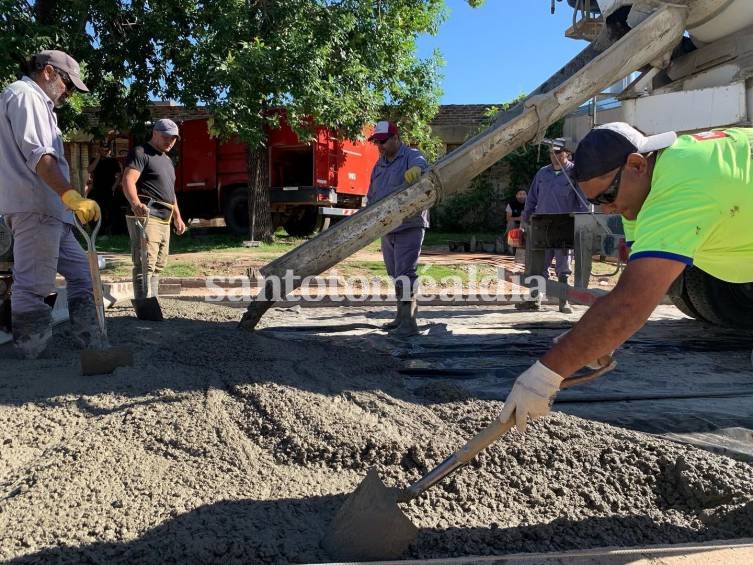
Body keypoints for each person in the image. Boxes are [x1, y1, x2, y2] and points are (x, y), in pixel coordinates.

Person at [499, 122, 753, 433]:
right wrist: (598, 336)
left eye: (607, 195)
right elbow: (635, 286)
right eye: (597, 202)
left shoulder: (682, 186)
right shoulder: (646, 187)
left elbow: (630, 303)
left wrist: (544, 376)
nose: (607, 210)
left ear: (635, 164)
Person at [0, 49, 102, 359]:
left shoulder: (41, 105)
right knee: (34, 286)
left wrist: (68, 201)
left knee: (85, 272)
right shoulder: (24, 96)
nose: (69, 93)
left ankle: (90, 337)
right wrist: (71, 196)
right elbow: (40, 157)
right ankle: (32, 353)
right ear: (48, 72)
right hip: (34, 207)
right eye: (67, 85)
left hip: (51, 212)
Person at [367, 120, 429, 338]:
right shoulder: (379, 164)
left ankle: (410, 321)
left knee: (405, 272)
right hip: (386, 226)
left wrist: (417, 170)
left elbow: (422, 164)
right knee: (394, 273)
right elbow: (372, 193)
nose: (380, 146)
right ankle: (400, 317)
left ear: (395, 138)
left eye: (383, 141)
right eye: (377, 142)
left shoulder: (411, 155)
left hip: (409, 224)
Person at [518, 140, 589, 313]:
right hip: (541, 225)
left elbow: (584, 202)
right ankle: (534, 300)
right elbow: (532, 199)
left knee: (563, 266)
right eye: (552, 153)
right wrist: (525, 220)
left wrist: (583, 224)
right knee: (538, 264)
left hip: (564, 225)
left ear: (567, 153)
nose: (555, 157)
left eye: (559, 153)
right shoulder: (543, 173)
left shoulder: (575, 174)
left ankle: (563, 302)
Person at [122, 119, 186, 304]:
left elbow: (170, 192)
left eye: (173, 138)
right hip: (147, 214)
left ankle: (152, 300)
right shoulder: (141, 153)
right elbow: (128, 181)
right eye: (166, 137)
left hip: (165, 218)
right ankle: (144, 304)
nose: (170, 141)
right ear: (155, 133)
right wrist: (135, 203)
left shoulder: (167, 160)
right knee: (145, 263)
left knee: (158, 264)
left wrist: (178, 217)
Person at [86, 141, 122, 235]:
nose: (104, 152)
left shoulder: (113, 161)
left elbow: (118, 175)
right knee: (98, 210)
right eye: (102, 150)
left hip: (109, 189)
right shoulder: (94, 160)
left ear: (109, 151)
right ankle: (99, 231)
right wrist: (98, 157)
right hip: (97, 189)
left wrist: (114, 187)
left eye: (106, 150)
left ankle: (110, 231)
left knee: (110, 211)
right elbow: (89, 169)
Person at [503, 188, 527, 254]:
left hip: (526, 224)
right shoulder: (511, 204)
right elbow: (508, 218)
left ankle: (524, 246)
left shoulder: (530, 204)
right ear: (516, 195)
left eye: (524, 194)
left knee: (525, 224)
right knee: (511, 223)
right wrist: (519, 218)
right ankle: (509, 245)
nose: (522, 196)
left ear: (526, 196)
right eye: (520, 194)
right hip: (514, 224)